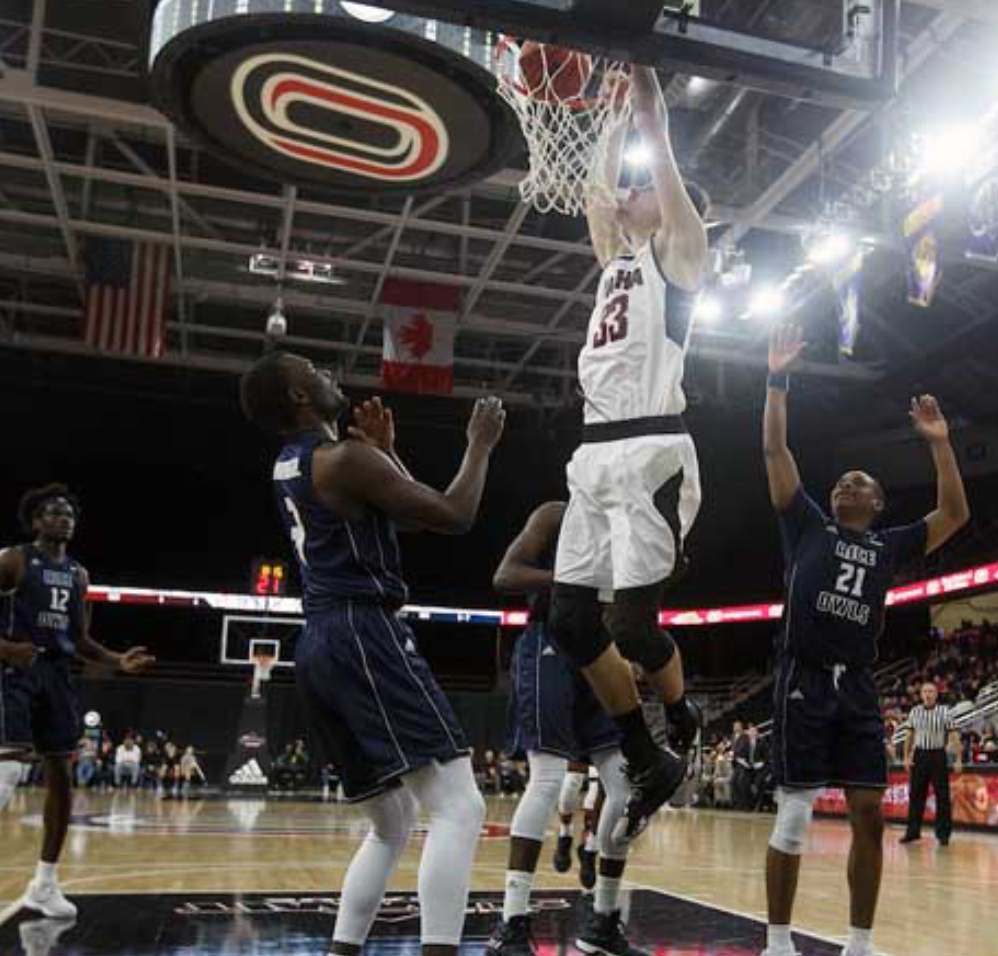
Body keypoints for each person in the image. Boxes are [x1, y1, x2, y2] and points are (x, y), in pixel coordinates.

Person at [240, 353, 505, 956]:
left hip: (319, 646)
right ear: (298, 396)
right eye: (314, 370)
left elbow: (402, 514)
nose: (329, 373)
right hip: (364, 633)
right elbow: (453, 516)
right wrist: (480, 445)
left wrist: (387, 456)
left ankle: (343, 950)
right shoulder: (343, 459)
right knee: (461, 806)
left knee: (391, 826)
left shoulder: (294, 463)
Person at [760, 325, 970, 956]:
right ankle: (776, 943)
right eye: (840, 481)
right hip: (802, 675)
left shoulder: (890, 544)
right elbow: (775, 453)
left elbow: (955, 514)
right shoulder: (807, 525)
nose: (844, 486)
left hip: (855, 684)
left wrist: (940, 445)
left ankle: (859, 942)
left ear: (877, 503)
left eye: (859, 483)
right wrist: (776, 382)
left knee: (870, 816)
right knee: (794, 817)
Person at [548, 62, 710, 841]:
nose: (631, 190)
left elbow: (666, 178)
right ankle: (649, 754)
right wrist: (610, 119)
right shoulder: (616, 259)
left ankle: (684, 715)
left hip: (650, 450)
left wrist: (649, 108)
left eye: (643, 188)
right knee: (570, 619)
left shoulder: (678, 255)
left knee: (638, 628)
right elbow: (591, 192)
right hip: (595, 454)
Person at [488, 502, 643, 956]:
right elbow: (506, 575)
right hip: (549, 641)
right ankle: (511, 924)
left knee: (624, 785)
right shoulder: (556, 514)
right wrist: (567, 580)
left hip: (600, 648)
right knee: (550, 778)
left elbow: (627, 602)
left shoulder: (631, 526)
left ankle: (602, 924)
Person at [0, 484, 154, 918]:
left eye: (69, 512)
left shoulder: (78, 575)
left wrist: (118, 661)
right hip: (14, 671)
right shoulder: (13, 560)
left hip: (57, 676)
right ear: (35, 522)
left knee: (62, 780)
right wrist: (7, 649)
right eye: (53, 512)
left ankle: (44, 884)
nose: (64, 518)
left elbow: (81, 641)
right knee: (8, 770)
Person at [900, 681, 963, 846]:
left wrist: (958, 759)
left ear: (936, 694)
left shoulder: (945, 711)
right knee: (916, 796)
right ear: (921, 694)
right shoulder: (915, 711)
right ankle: (912, 833)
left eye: (931, 691)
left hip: (938, 755)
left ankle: (943, 835)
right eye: (925, 691)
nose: (928, 694)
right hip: (920, 756)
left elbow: (955, 736)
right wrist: (906, 757)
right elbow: (909, 736)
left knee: (942, 796)